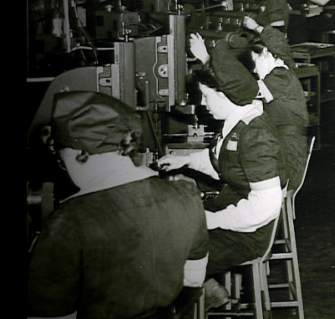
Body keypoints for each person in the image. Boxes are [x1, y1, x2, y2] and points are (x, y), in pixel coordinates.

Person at [28, 91, 209, 319]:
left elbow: (49, 314)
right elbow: (193, 282)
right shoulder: (186, 196)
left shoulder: (67, 222)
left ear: (76, 152)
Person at [158, 36, 286, 293]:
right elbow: (223, 161)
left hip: (245, 234)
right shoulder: (239, 124)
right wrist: (184, 161)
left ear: (225, 95)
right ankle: (208, 292)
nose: (203, 104)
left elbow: (265, 207)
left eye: (206, 97)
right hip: (231, 215)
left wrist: (211, 220)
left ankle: (197, 294)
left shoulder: (255, 135)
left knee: (163, 257)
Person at [242, 15, 311, 192]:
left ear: (265, 54)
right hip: (289, 155)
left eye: (255, 62)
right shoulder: (284, 74)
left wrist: (207, 60)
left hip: (288, 164)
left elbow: (242, 93)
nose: (255, 69)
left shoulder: (279, 77)